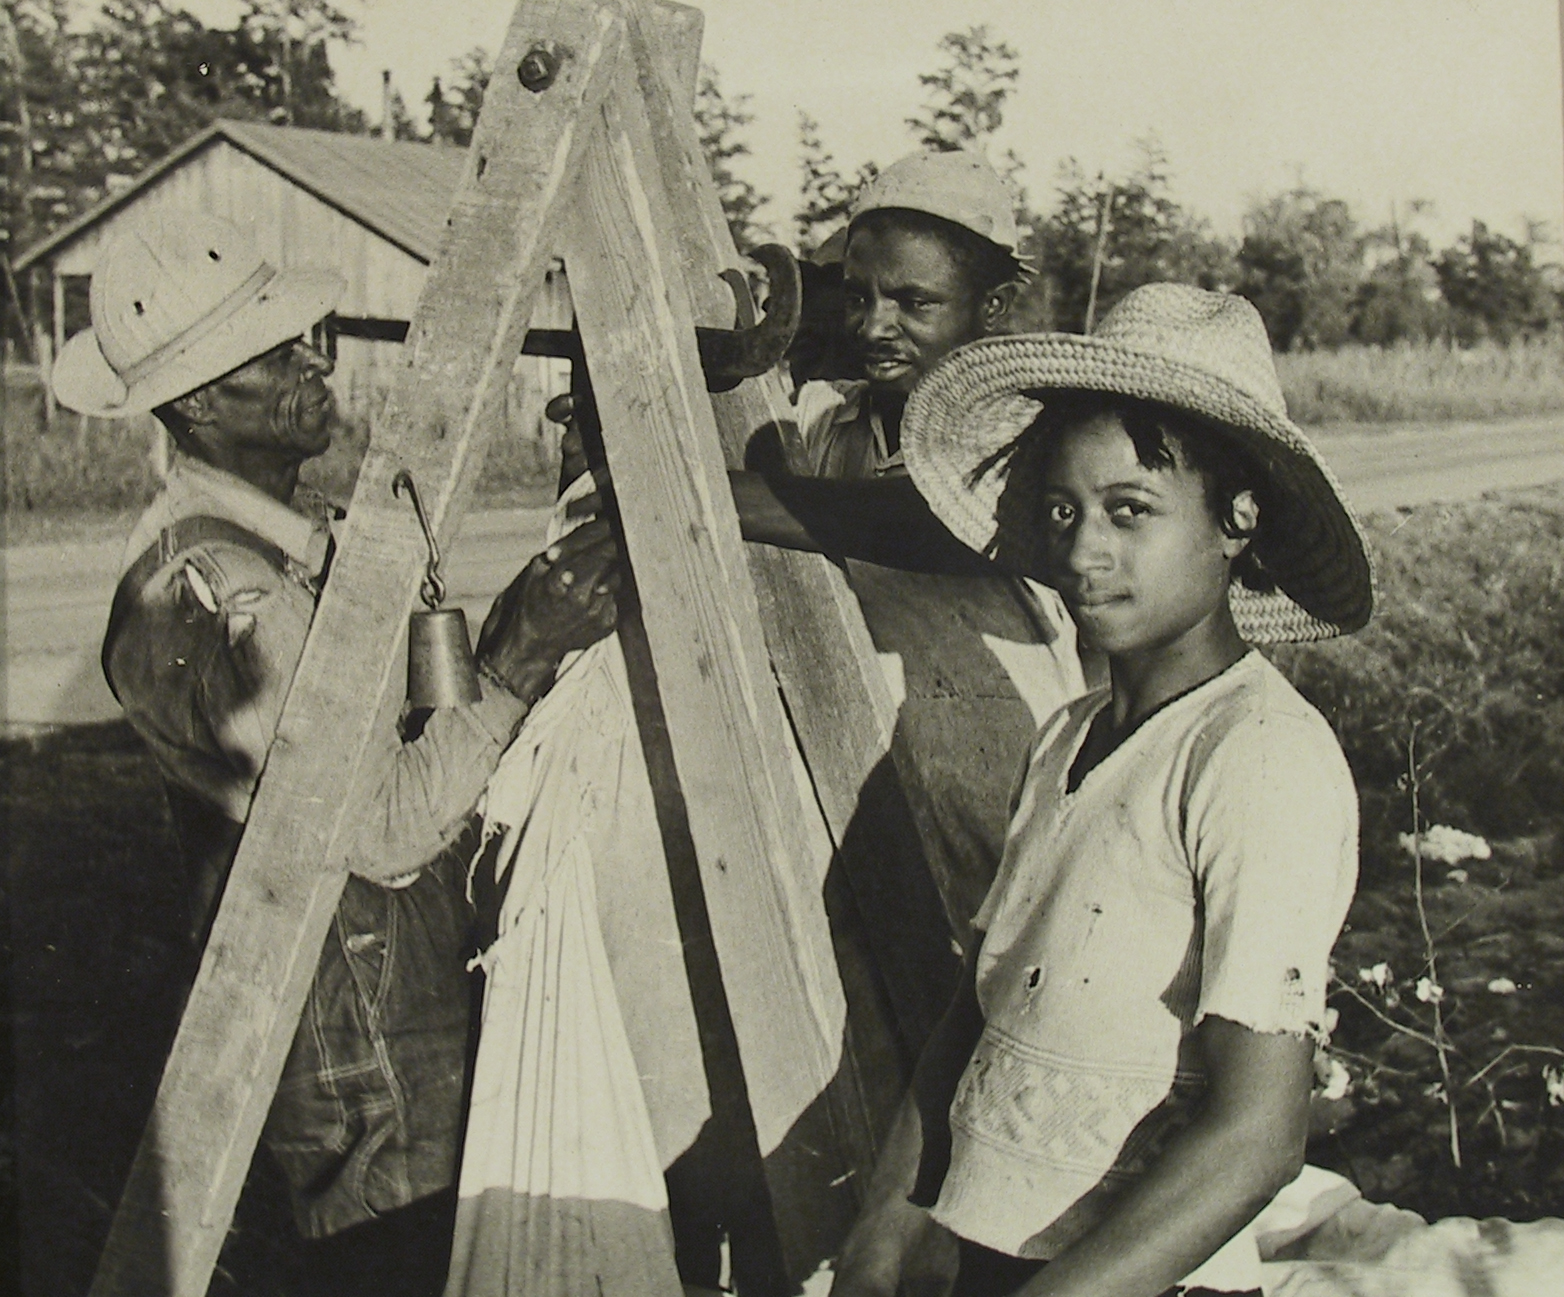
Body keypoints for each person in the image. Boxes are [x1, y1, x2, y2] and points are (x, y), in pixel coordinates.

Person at [51, 213, 619, 1297]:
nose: (315, 360)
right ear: (199, 403)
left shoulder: (289, 534)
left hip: (389, 977)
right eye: (277, 352)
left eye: (306, 337)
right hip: (352, 1005)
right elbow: (383, 827)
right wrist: (519, 652)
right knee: (399, 1258)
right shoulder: (217, 593)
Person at [830, 283, 1374, 1297]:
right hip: (981, 1255)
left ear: (1236, 520)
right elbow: (982, 1003)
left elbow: (1257, 1134)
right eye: (1062, 510)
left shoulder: (1254, 757)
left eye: (1131, 511)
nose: (1083, 552)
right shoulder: (1068, 736)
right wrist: (892, 1213)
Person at [736, 150, 1096, 1024]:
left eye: (915, 302)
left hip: (1001, 765)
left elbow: (917, 522)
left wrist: (686, 480)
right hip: (869, 757)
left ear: (994, 309)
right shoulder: (837, 422)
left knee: (1000, 986)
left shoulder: (1025, 426)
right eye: (858, 295)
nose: (874, 326)